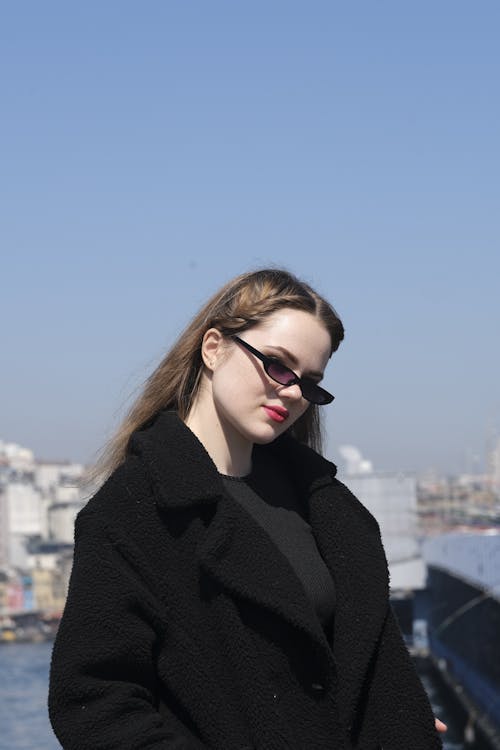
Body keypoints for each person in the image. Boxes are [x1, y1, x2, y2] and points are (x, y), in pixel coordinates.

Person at [49, 268, 445, 749]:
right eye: (277, 365)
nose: (294, 393)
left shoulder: (325, 504)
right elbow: (95, 703)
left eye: (309, 382)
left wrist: (397, 718)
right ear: (213, 347)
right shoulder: (134, 512)